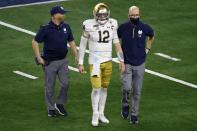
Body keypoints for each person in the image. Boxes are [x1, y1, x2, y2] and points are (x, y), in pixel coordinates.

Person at [78, 3, 125, 127]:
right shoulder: (88, 25)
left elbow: (116, 43)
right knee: (96, 88)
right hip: (95, 62)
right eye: (100, 14)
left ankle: (101, 113)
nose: (103, 16)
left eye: (105, 14)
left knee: (104, 88)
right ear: (95, 14)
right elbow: (82, 45)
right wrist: (80, 62)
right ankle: (95, 113)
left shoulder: (113, 23)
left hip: (108, 61)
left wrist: (121, 60)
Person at [32, 5, 78, 117]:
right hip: (50, 62)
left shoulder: (66, 26)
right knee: (50, 86)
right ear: (54, 15)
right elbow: (35, 42)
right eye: (62, 13)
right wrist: (39, 58)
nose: (64, 15)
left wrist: (76, 55)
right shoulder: (45, 28)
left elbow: (71, 41)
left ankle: (60, 104)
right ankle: (51, 108)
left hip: (63, 61)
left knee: (65, 83)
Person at [118, 6, 154, 124]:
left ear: (139, 15)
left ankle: (134, 115)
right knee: (127, 88)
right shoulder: (122, 28)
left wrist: (147, 49)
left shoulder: (144, 27)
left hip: (140, 63)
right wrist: (120, 60)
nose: (135, 17)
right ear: (128, 15)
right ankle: (125, 105)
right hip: (127, 63)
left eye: (136, 15)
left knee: (137, 91)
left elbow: (152, 36)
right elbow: (115, 41)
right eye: (133, 15)